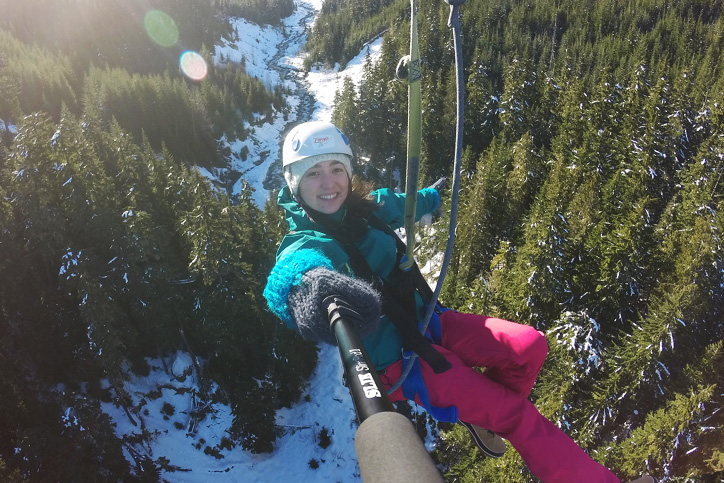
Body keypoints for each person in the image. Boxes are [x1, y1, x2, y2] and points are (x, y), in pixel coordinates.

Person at [264, 120, 656, 483]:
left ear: (348, 172)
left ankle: (485, 415)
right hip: (399, 361)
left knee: (529, 346)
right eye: (312, 173)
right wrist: (311, 286)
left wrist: (436, 197)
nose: (328, 182)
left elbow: (404, 202)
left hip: (431, 321)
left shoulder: (364, 208)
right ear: (294, 183)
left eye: (335, 168)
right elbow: (289, 278)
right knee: (518, 415)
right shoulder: (307, 244)